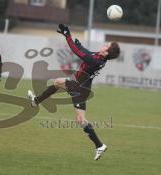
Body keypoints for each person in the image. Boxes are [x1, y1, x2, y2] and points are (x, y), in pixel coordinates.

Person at [28, 24, 120, 161]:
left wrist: (68, 36)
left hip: (78, 88)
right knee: (79, 118)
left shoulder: (96, 60)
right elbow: (86, 52)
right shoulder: (99, 57)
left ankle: (36, 101)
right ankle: (99, 145)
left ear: (107, 52)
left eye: (107, 45)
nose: (105, 44)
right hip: (81, 88)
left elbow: (79, 53)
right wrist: (80, 44)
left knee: (58, 83)